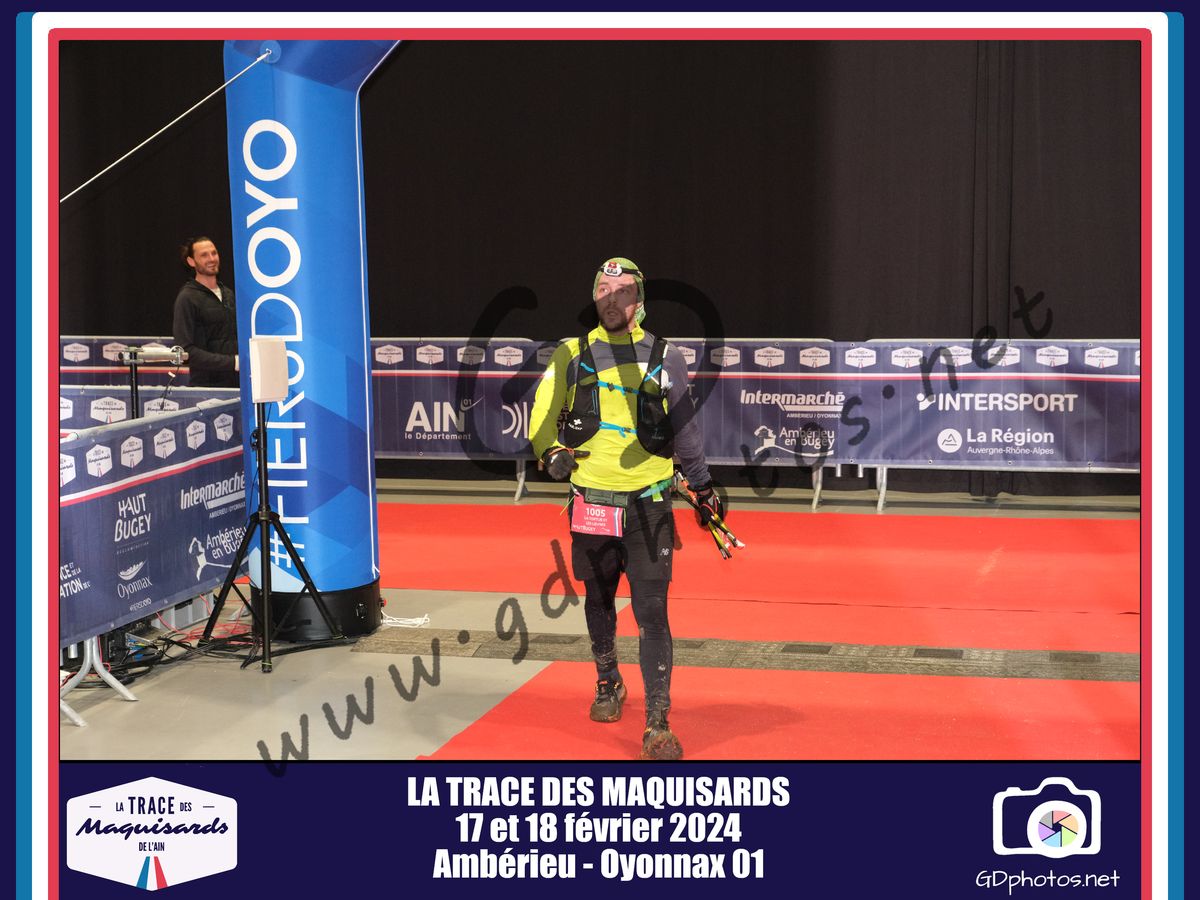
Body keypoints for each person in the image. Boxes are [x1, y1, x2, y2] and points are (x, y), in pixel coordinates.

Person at [528, 257, 725, 760]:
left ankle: (657, 722)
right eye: (603, 289)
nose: (611, 298)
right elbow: (541, 418)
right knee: (598, 599)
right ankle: (607, 679)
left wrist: (703, 487)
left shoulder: (665, 357)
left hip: (650, 504)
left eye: (622, 291)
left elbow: (685, 430)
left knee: (651, 610)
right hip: (591, 504)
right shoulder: (570, 354)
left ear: (639, 301)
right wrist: (551, 452)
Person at [172, 236, 239, 388]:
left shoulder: (228, 294)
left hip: (237, 384)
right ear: (191, 261)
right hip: (206, 388)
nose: (211, 259)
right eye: (204, 255)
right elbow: (185, 350)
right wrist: (233, 362)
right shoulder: (187, 298)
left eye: (214, 253)